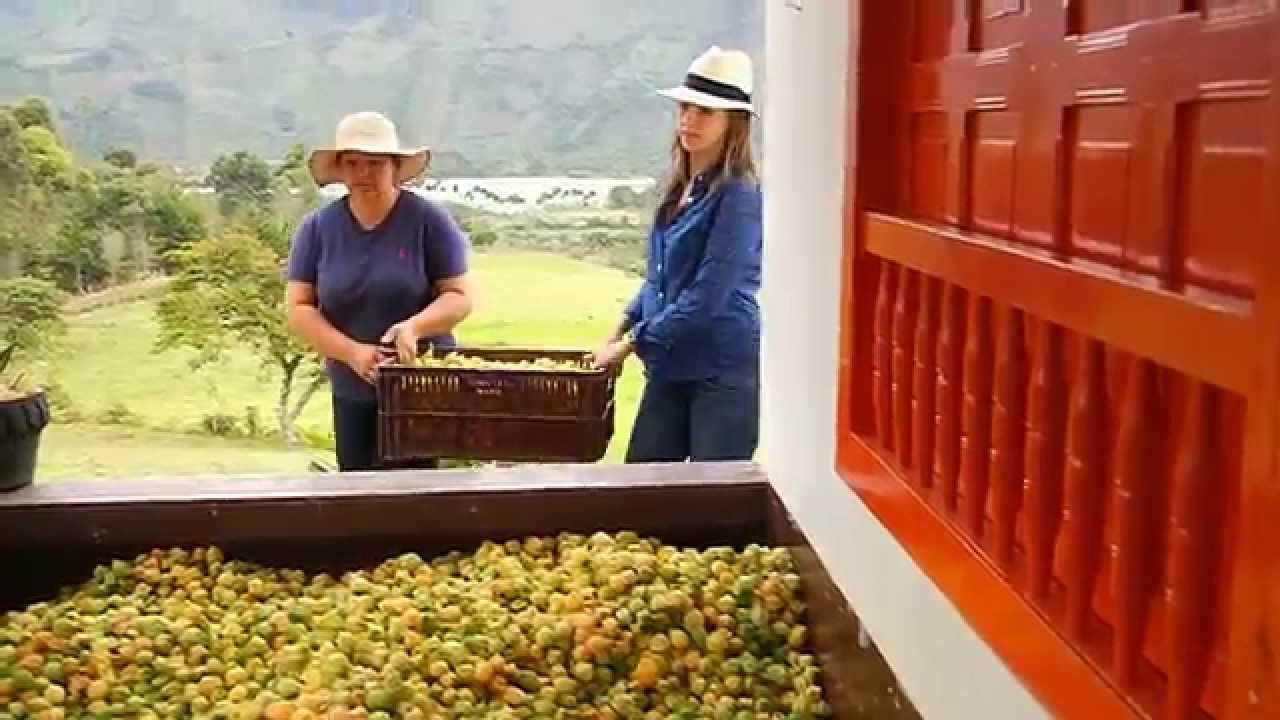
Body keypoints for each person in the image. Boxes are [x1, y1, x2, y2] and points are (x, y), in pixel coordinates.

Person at [594, 46, 763, 463]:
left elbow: (708, 295)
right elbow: (660, 279)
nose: (689, 120)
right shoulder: (678, 189)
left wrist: (633, 343)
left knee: (712, 500)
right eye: (685, 108)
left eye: (706, 112)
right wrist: (620, 326)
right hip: (671, 364)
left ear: (733, 124)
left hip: (719, 370)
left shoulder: (738, 195)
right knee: (642, 484)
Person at [285, 111, 473, 471]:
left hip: (419, 389)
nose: (363, 173)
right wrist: (353, 353)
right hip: (350, 387)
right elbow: (299, 308)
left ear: (394, 166)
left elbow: (459, 297)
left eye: (374, 163)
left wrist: (414, 328)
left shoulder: (428, 221)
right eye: (352, 163)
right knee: (358, 496)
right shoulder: (318, 228)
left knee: (415, 498)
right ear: (339, 168)